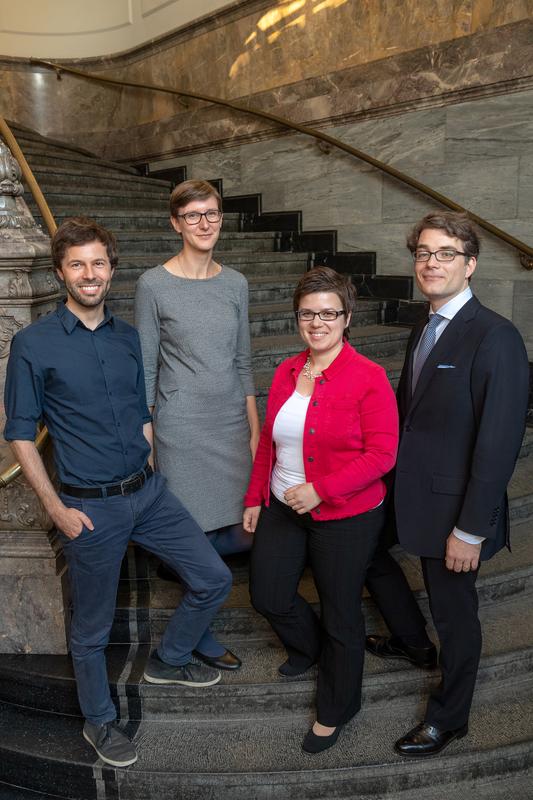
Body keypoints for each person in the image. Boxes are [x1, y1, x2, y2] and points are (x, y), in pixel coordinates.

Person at [4, 217, 233, 768]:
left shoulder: (130, 337)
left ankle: (170, 656)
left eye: (99, 262)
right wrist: (57, 509)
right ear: (61, 272)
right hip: (89, 507)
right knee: (92, 628)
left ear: (112, 268)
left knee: (213, 577)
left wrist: (152, 467)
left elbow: (141, 413)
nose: (90, 274)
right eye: (77, 264)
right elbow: (18, 435)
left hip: (148, 494)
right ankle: (100, 722)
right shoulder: (33, 344)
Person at [365, 211, 529, 757]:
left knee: (456, 617)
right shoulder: (426, 323)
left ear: (471, 264)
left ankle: (450, 717)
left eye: (446, 253)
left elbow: (498, 444)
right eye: (423, 254)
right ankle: (413, 642)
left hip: (456, 507)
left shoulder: (496, 337)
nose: (431, 263)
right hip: (408, 487)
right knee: (363, 549)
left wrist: (470, 529)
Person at [243, 266, 399, 754]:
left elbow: (382, 456)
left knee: (342, 615)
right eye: (308, 313)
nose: (317, 322)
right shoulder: (288, 371)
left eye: (328, 313)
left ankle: (337, 707)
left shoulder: (368, 378)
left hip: (346, 514)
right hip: (283, 505)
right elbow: (269, 443)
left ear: (347, 317)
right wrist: (254, 496)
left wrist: (322, 489)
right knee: (268, 595)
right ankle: (310, 650)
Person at [134, 179, 260, 671]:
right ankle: (197, 634)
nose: (204, 223)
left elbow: (244, 361)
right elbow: (145, 367)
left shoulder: (236, 283)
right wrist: (147, 437)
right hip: (181, 428)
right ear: (176, 223)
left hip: (230, 424)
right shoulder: (154, 284)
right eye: (193, 215)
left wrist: (252, 429)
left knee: (239, 532)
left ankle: (193, 610)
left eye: (212, 214)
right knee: (195, 536)